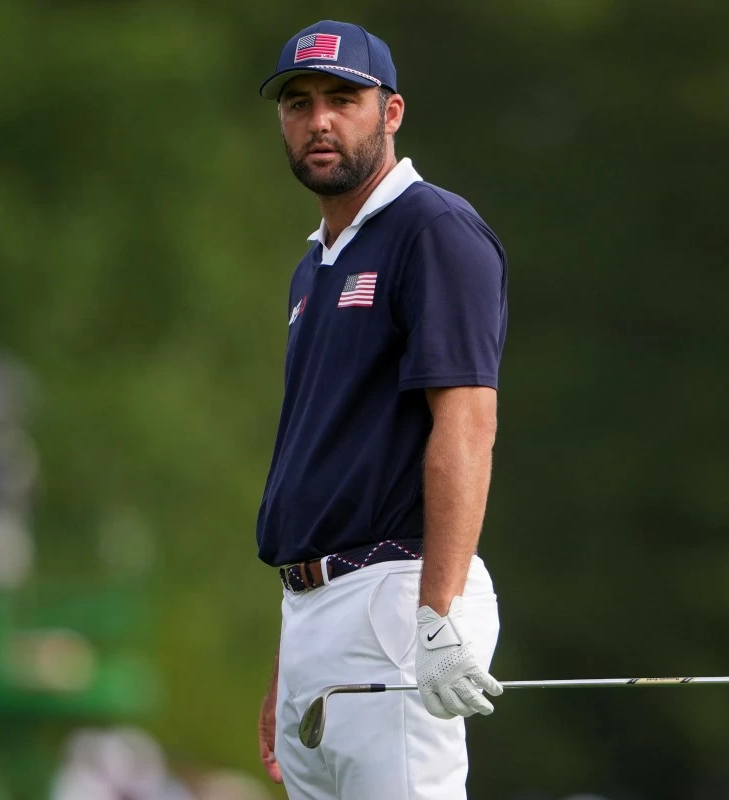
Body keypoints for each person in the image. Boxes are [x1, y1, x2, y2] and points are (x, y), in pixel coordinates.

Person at [253, 19, 510, 800]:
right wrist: (288, 659)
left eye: (342, 98)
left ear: (391, 113)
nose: (318, 120)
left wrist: (438, 618)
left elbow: (466, 426)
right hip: (316, 617)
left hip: (397, 603)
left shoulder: (433, 230)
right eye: (298, 102)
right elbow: (320, 469)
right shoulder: (316, 263)